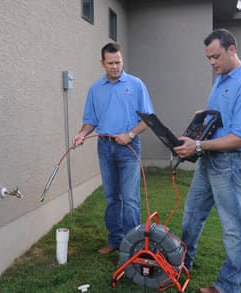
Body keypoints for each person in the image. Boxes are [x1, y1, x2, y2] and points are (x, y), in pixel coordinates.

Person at [173, 29, 241, 293]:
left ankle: (228, 286)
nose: (212, 63)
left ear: (232, 49)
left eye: (216, 56)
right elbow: (225, 117)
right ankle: (180, 265)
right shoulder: (222, 78)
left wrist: (198, 145)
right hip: (208, 160)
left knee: (234, 228)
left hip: (229, 164)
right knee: (191, 217)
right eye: (208, 59)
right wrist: (204, 116)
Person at [72, 43, 154, 255]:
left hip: (129, 149)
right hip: (105, 148)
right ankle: (115, 240)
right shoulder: (95, 89)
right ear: (102, 63)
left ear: (122, 60)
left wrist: (130, 135)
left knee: (130, 199)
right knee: (112, 197)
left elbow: (148, 120)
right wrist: (82, 133)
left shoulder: (136, 85)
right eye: (111, 63)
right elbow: (90, 121)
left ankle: (132, 245)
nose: (115, 66)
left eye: (118, 62)